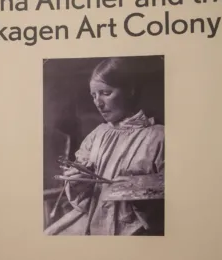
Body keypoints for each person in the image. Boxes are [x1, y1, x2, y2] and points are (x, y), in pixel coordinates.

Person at [45, 57, 165, 236]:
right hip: (95, 228)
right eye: (94, 95)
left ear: (130, 90)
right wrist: (78, 183)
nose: (98, 103)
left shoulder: (159, 136)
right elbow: (84, 201)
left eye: (105, 93)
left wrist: (138, 188)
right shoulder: (97, 135)